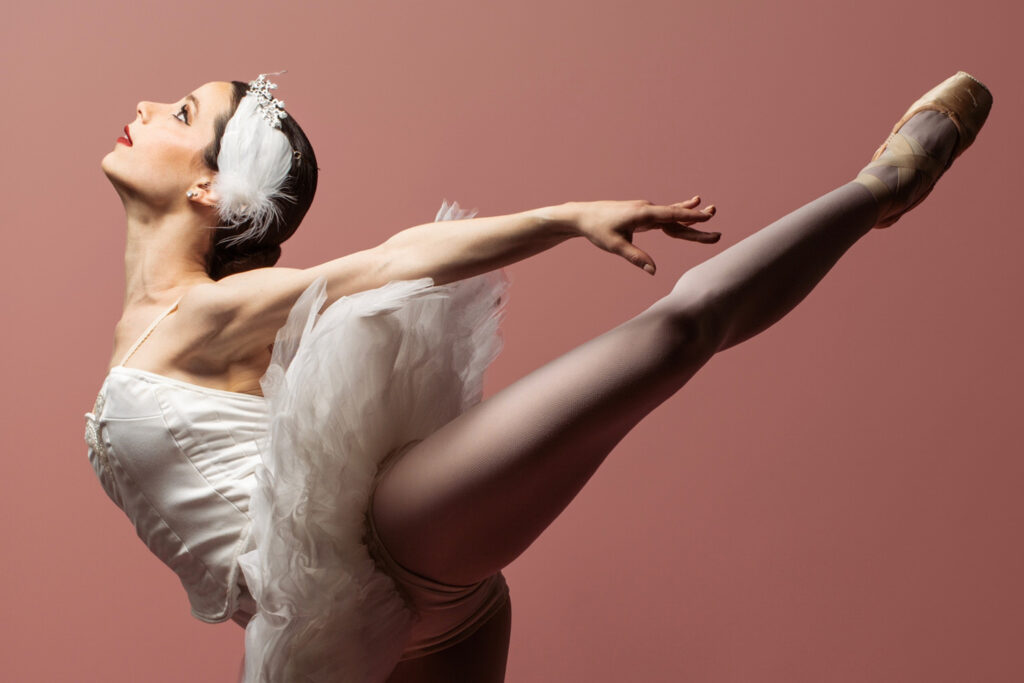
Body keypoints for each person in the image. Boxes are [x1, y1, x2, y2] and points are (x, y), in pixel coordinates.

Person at [85, 70, 992, 682]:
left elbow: (399, 256)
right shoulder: (167, 321)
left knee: (673, 333)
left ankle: (882, 185)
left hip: (389, 547)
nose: (148, 106)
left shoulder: (205, 314)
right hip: (340, 653)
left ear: (209, 190)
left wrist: (566, 217)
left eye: (179, 113)